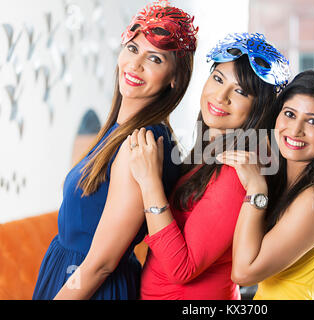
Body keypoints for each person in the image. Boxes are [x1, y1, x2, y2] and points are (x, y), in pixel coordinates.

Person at [32, 1, 198, 300]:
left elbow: (101, 264)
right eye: (133, 49)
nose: (135, 65)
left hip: (91, 287)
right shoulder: (119, 130)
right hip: (72, 276)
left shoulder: (140, 143)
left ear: (175, 78)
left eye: (155, 59)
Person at [127, 32, 290, 299]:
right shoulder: (208, 151)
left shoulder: (236, 172)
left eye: (239, 91)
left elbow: (182, 268)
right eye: (217, 79)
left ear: (258, 109)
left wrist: (149, 182)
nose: (220, 96)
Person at [218, 69, 314, 300]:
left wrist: (257, 189)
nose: (296, 130)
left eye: (313, 121)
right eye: (289, 114)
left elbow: (243, 272)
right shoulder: (293, 183)